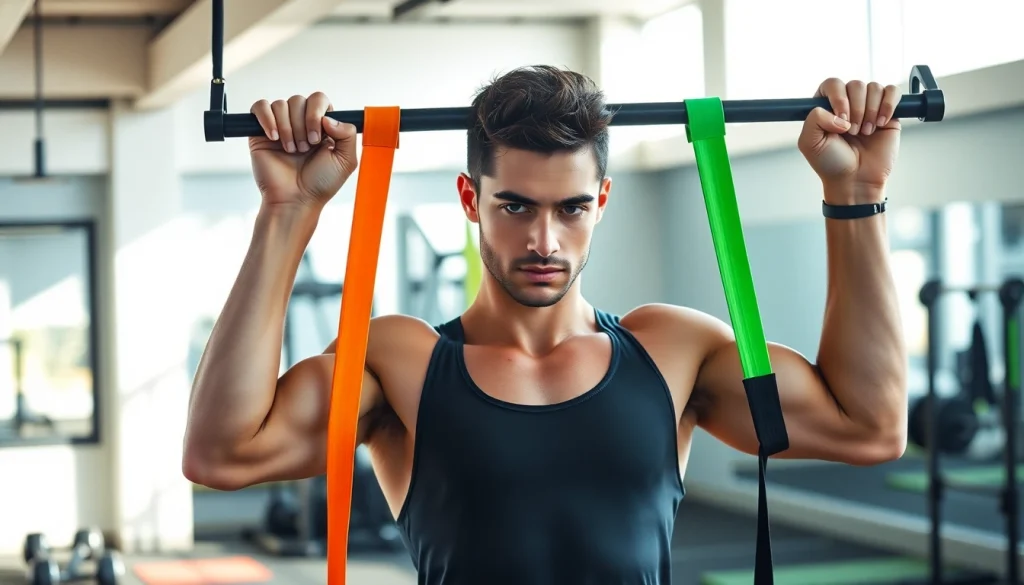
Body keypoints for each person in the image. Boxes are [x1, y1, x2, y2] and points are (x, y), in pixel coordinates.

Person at [183, 65, 909, 584]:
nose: (544, 242)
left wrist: (856, 194)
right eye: (516, 206)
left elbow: (868, 426)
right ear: (471, 198)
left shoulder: (672, 352)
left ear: (602, 199)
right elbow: (222, 454)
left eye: (571, 209)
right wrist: (287, 214)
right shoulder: (398, 363)